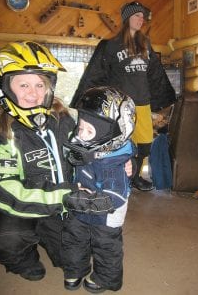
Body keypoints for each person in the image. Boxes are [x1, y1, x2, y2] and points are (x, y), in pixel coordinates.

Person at [70, 1, 176, 192]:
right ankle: (118, 175)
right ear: (127, 18)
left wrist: (163, 98)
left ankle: (134, 176)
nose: (140, 19)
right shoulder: (111, 46)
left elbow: (155, 74)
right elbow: (96, 73)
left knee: (144, 144)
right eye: (137, 16)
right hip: (120, 106)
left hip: (142, 103)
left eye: (142, 17)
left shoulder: (146, 44)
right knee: (120, 142)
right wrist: (86, 100)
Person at [0, 41, 81, 281]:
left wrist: (119, 159)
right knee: (7, 237)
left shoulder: (63, 118)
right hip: (20, 210)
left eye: (40, 84)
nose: (33, 93)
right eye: (23, 84)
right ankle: (23, 258)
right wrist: (64, 197)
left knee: (75, 261)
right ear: (5, 87)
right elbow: (5, 189)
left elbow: (89, 149)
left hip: (60, 208)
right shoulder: (3, 131)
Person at [61, 86, 136, 293]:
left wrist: (82, 201)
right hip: (81, 202)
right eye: (80, 128)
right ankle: (75, 269)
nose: (81, 135)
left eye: (89, 131)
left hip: (106, 213)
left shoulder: (113, 163)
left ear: (110, 135)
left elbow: (116, 197)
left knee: (105, 246)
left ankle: (106, 278)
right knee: (74, 238)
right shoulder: (86, 147)